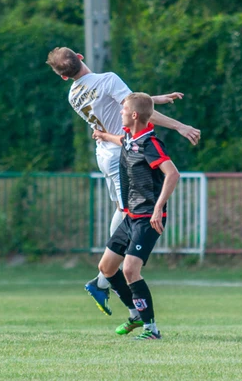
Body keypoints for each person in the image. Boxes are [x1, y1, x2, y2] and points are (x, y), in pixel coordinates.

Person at [46, 47, 199, 316]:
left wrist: (157, 99)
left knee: (122, 209)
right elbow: (137, 112)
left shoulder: (72, 95)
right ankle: (104, 277)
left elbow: (124, 103)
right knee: (130, 212)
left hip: (105, 154)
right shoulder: (108, 79)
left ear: (63, 76)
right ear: (81, 57)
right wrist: (180, 126)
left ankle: (107, 274)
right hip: (126, 155)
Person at [93, 92, 180, 339]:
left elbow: (172, 174)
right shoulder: (132, 138)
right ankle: (135, 313)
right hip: (130, 216)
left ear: (133, 115)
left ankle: (151, 329)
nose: (119, 112)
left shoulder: (150, 144)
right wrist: (102, 136)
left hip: (148, 218)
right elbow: (122, 142)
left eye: (123, 110)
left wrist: (158, 208)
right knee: (107, 268)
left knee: (131, 269)